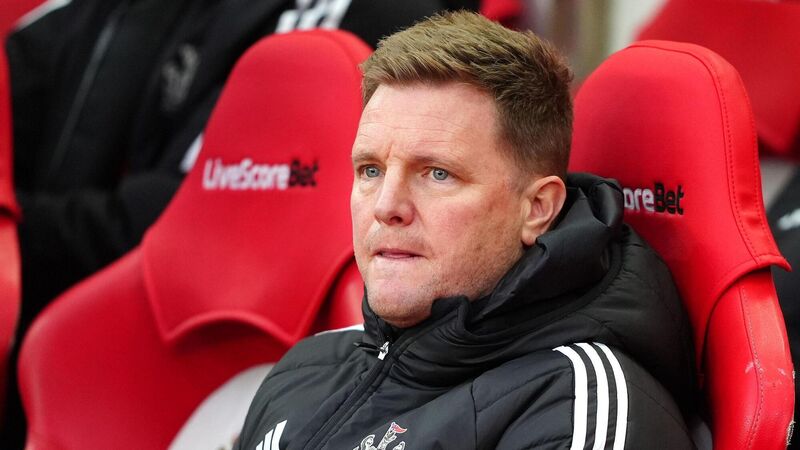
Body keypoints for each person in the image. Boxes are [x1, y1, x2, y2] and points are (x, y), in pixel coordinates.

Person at [3, 1, 474, 446]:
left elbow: (175, 204)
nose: (390, 198)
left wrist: (23, 225)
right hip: (130, 299)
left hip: (308, 326)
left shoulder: (379, 22)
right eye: (371, 171)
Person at [235, 11, 697, 450]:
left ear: (537, 209)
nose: (386, 207)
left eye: (437, 174)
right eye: (370, 170)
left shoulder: (579, 407)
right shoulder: (308, 366)